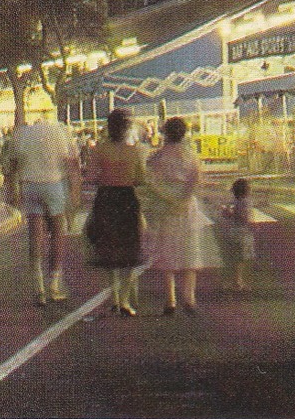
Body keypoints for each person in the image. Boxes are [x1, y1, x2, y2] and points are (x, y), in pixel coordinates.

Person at [142, 117, 218, 315]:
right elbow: (197, 181)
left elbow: (149, 181)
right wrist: (184, 197)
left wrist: (166, 196)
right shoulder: (190, 156)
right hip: (186, 206)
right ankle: (189, 298)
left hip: (165, 205)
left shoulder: (157, 157)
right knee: (190, 253)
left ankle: (170, 300)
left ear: (165, 133)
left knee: (167, 253)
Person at [6, 115, 82, 306]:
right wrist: (74, 194)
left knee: (35, 235)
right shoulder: (61, 131)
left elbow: (13, 165)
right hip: (54, 185)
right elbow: (72, 164)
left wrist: (12, 191)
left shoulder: (23, 133)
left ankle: (38, 287)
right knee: (57, 233)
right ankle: (54, 285)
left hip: (30, 185)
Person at [83, 110, 147, 317]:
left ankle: (116, 298)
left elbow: (91, 177)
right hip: (127, 198)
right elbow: (140, 179)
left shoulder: (99, 150)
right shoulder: (134, 151)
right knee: (129, 249)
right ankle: (126, 300)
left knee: (109, 247)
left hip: (106, 198)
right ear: (126, 128)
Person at [217, 177, 258, 293]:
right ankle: (238, 282)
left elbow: (229, 215)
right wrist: (251, 223)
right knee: (241, 259)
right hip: (242, 233)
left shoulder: (235, 202)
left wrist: (228, 213)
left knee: (236, 259)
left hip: (233, 232)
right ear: (245, 191)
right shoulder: (246, 202)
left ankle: (235, 281)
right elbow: (244, 217)